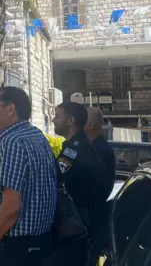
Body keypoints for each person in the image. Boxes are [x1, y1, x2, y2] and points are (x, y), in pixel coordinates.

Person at [0, 86, 57, 266]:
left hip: (14, 245)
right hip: (39, 242)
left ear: (10, 109)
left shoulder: (12, 142)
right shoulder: (36, 135)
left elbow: (12, 206)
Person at [46, 103, 109, 266]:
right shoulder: (78, 145)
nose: (53, 120)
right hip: (76, 226)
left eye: (58, 115)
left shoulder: (75, 149)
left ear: (70, 120)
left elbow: (54, 180)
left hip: (75, 229)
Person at [84, 107, 116, 266]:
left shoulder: (99, 150)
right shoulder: (94, 147)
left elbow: (96, 187)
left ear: (89, 125)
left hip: (91, 220)